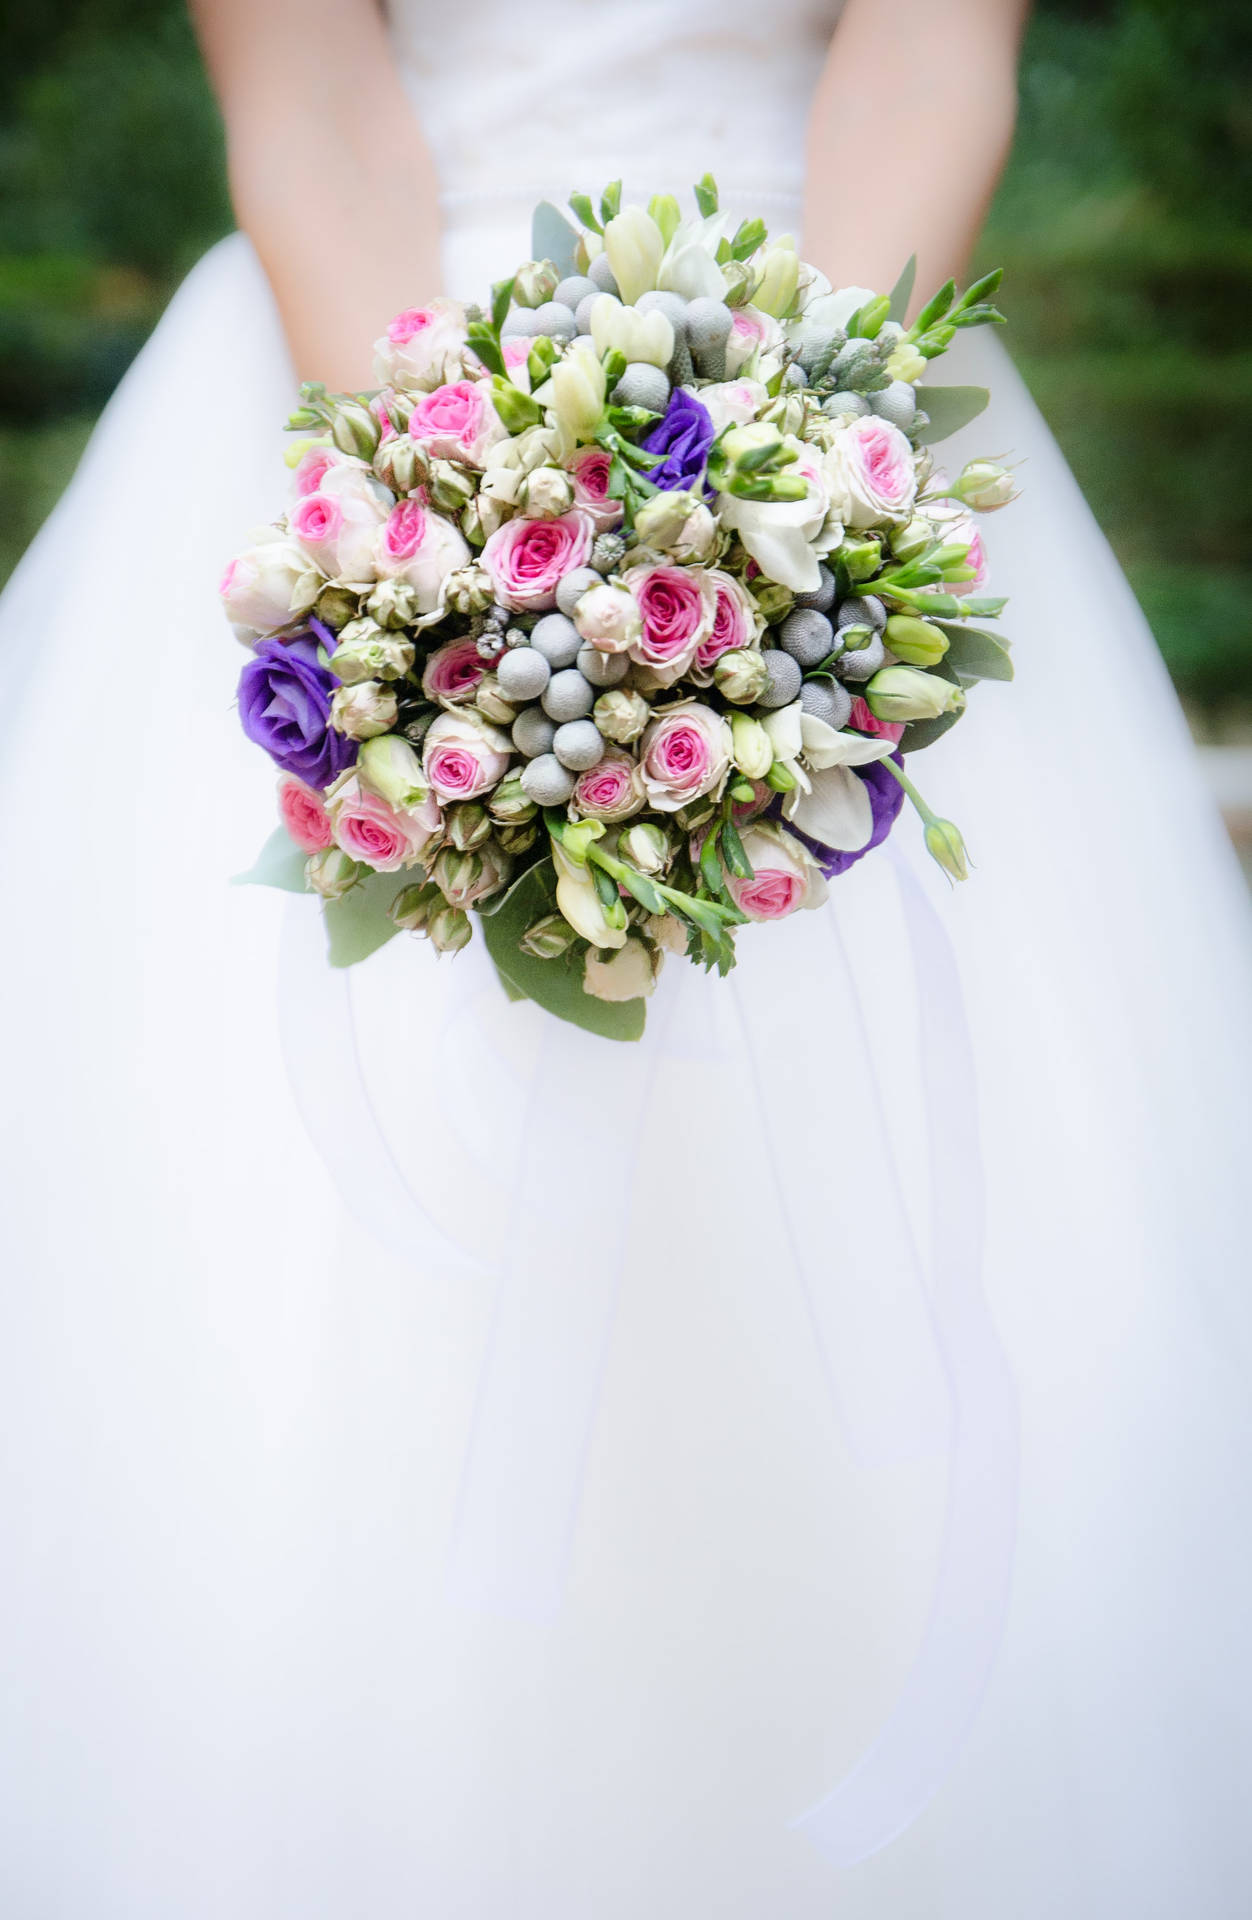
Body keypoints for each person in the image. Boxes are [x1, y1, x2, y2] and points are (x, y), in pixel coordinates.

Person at [0, 2, 1249, 1914]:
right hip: (384, 367)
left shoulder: (825, 441)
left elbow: (922, 59)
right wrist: (449, 556)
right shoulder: (417, 469)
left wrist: (799, 522)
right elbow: (312, 97)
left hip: (835, 351)